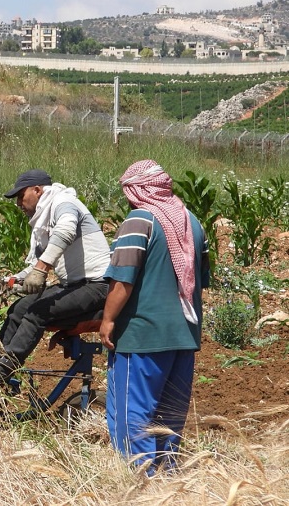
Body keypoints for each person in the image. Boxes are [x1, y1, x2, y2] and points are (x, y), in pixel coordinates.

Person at [100, 159, 210, 476]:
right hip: (184, 335)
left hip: (143, 335)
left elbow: (123, 280)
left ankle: (140, 480)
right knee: (169, 414)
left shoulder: (140, 221)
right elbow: (200, 279)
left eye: (128, 192)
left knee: (132, 413)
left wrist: (107, 320)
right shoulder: (192, 222)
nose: (128, 199)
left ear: (138, 190)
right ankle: (168, 479)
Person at [0, 169, 111, 384]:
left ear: (37, 190)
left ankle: (2, 372)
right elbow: (37, 264)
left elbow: (66, 231)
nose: (18, 203)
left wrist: (41, 270)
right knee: (19, 308)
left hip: (97, 284)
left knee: (37, 312)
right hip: (74, 285)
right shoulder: (44, 219)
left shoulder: (64, 202)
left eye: (21, 196)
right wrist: (7, 283)